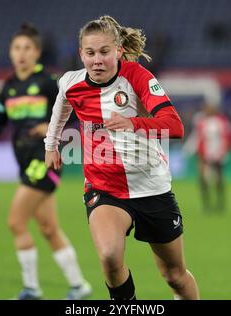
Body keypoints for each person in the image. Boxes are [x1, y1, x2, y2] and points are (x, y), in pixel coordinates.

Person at [45, 15, 199, 300]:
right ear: (81, 54)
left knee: (175, 276)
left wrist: (134, 123)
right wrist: (51, 145)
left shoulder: (138, 77)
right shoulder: (71, 83)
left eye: (104, 52)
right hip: (105, 188)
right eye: (90, 53)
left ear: (118, 50)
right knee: (109, 257)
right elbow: (61, 109)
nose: (97, 60)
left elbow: (175, 126)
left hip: (152, 186)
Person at [0, 23, 91, 300]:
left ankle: (31, 288)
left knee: (16, 222)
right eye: (17, 48)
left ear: (37, 52)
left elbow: (78, 111)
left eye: (27, 48)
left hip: (44, 160)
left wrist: (50, 127)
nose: (22, 53)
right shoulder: (9, 86)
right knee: (48, 228)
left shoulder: (49, 82)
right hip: (24, 163)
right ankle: (79, 286)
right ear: (10, 52)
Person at [183, 99, 231, 213]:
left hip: (218, 156)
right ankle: (207, 204)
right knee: (202, 180)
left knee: (219, 180)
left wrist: (224, 152)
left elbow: (228, 138)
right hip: (204, 155)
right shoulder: (200, 121)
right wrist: (189, 150)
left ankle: (220, 204)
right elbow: (196, 137)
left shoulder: (222, 121)